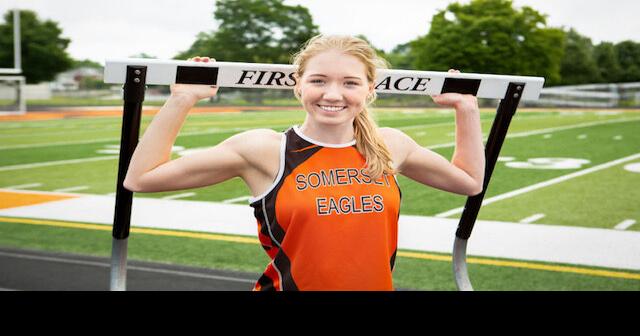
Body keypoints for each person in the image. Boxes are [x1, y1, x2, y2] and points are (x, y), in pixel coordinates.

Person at [123, 34, 485, 291]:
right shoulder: (265, 149)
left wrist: (466, 108)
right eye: (318, 81)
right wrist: (183, 99)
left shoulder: (390, 145)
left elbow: (468, 182)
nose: (332, 94)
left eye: (349, 83)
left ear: (369, 89)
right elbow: (141, 178)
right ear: (298, 85)